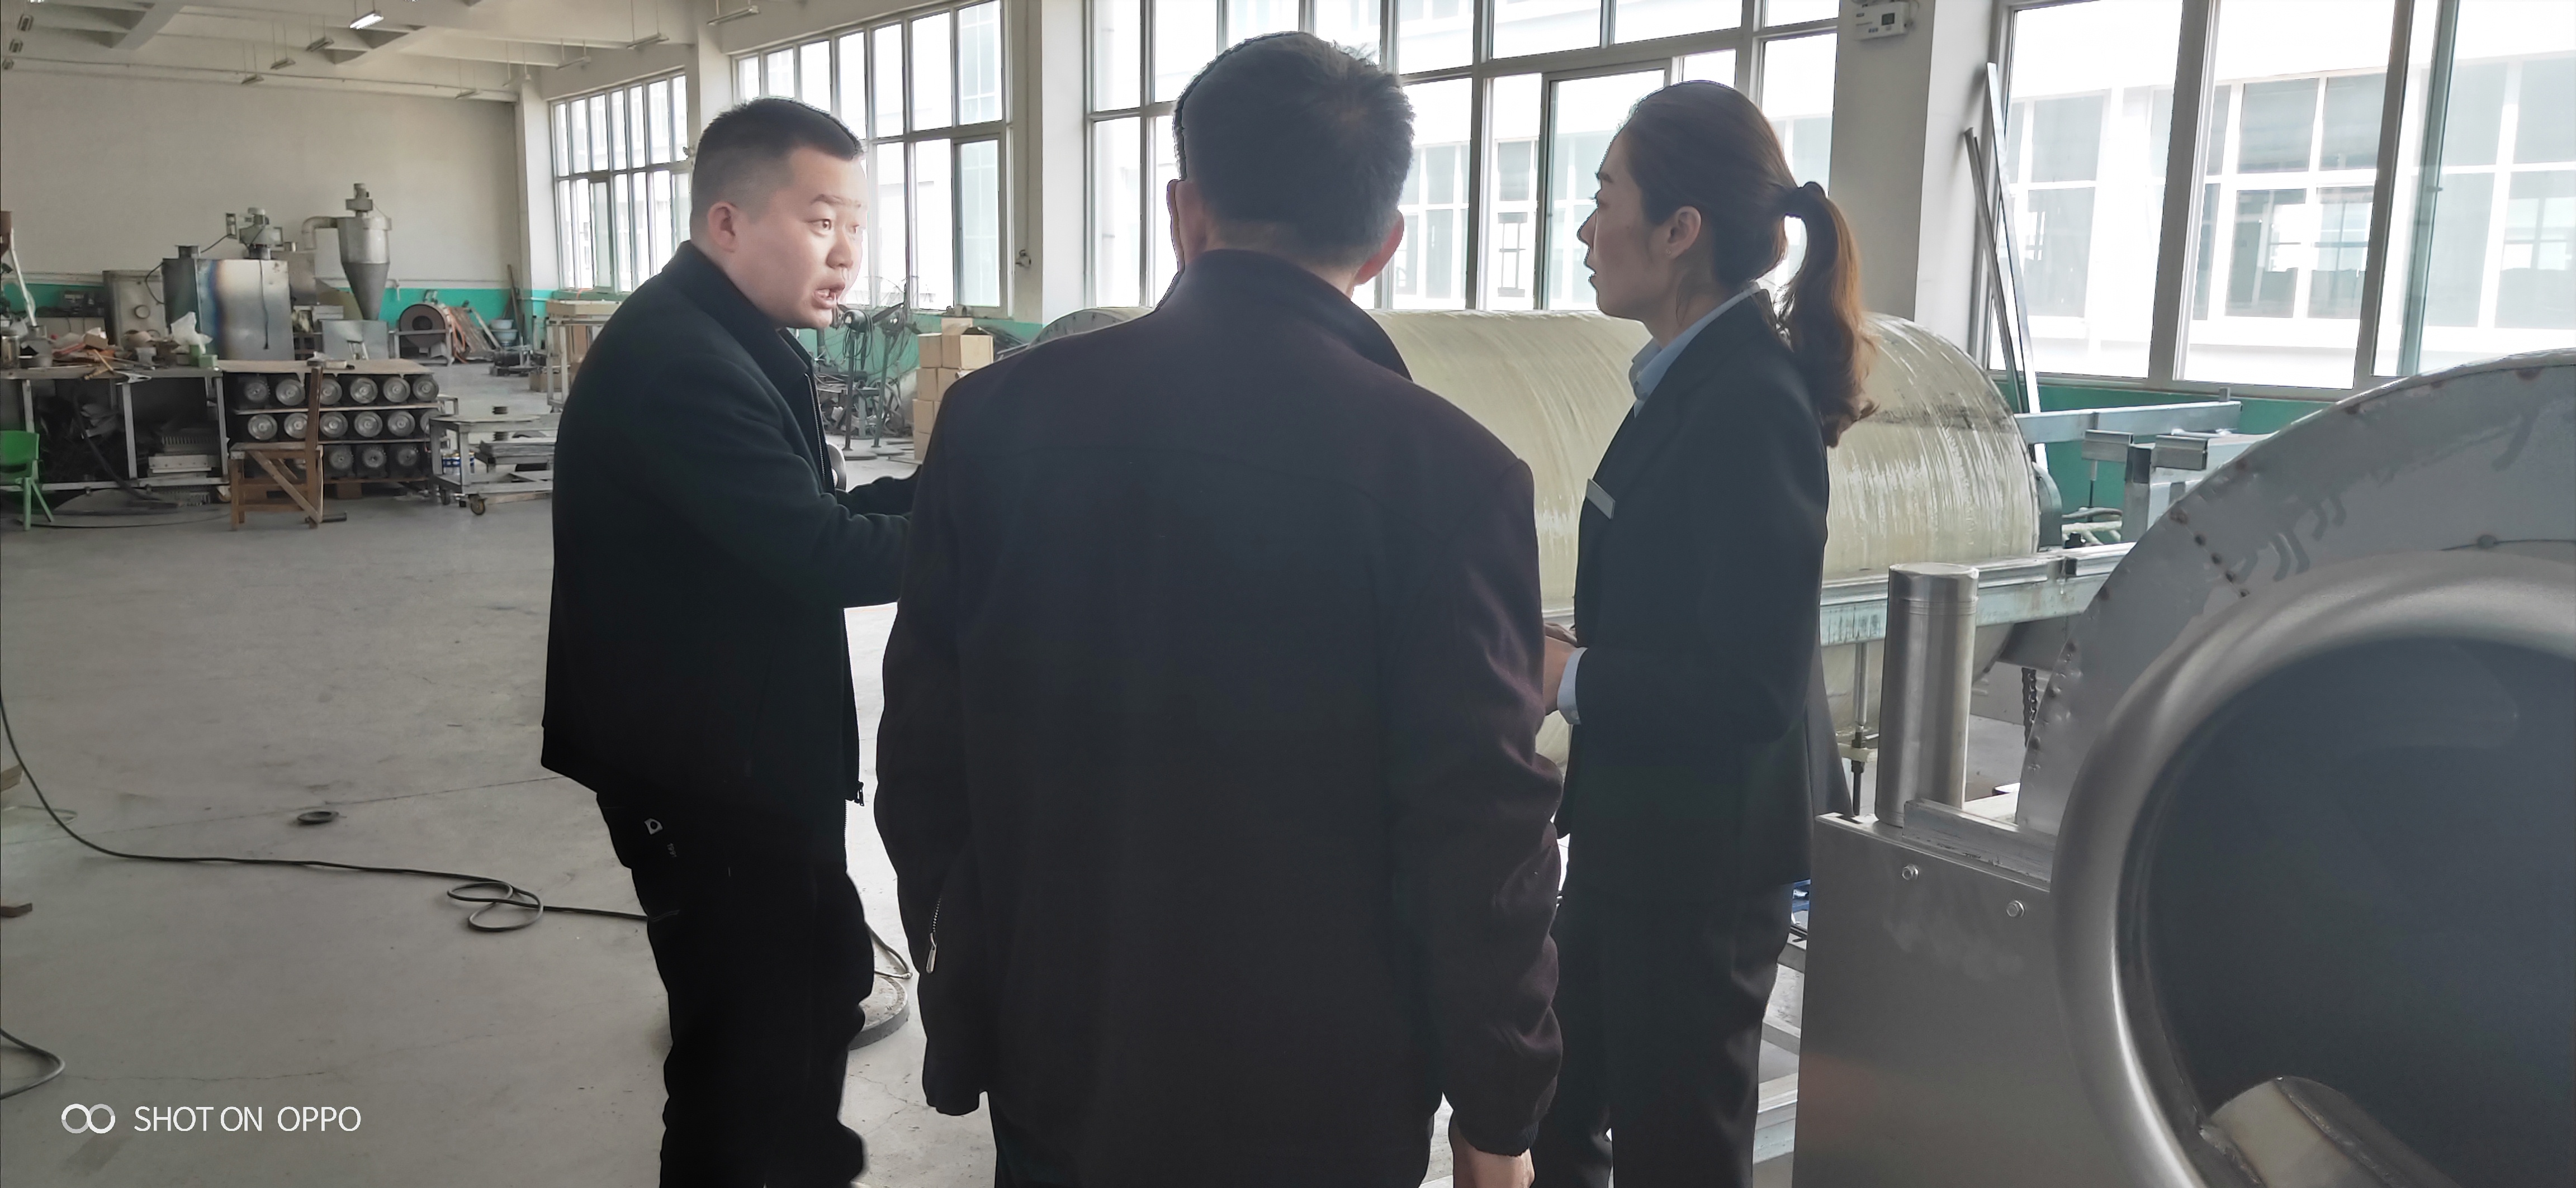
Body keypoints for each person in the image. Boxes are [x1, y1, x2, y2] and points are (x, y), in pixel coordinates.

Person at [875, 32, 1563, 1188]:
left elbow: (923, 760)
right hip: (1325, 1104)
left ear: (1182, 212)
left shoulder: (996, 421)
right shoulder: (1449, 475)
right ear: (1387, 243)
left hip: (1062, 1064)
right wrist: (1499, 1113)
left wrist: (978, 974)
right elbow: (1480, 833)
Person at [542, 98, 911, 1188]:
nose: (846, 252)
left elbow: (806, 513)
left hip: (748, 750)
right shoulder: (683, 363)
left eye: (856, 225)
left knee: (821, 983)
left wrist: (955, 489)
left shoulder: (731, 337)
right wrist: (998, 523)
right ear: (728, 222)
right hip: (707, 773)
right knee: (748, 1057)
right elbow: (824, 552)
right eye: (821, 220)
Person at [1530, 81, 1873, 1188]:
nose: (1587, 231)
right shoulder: (1685, 384)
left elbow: (1750, 687)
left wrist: (1573, 677)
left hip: (1701, 866)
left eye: (1606, 199)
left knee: (1678, 1148)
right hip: (1636, 836)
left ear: (1680, 231)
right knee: (1555, 1108)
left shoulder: (1747, 402)